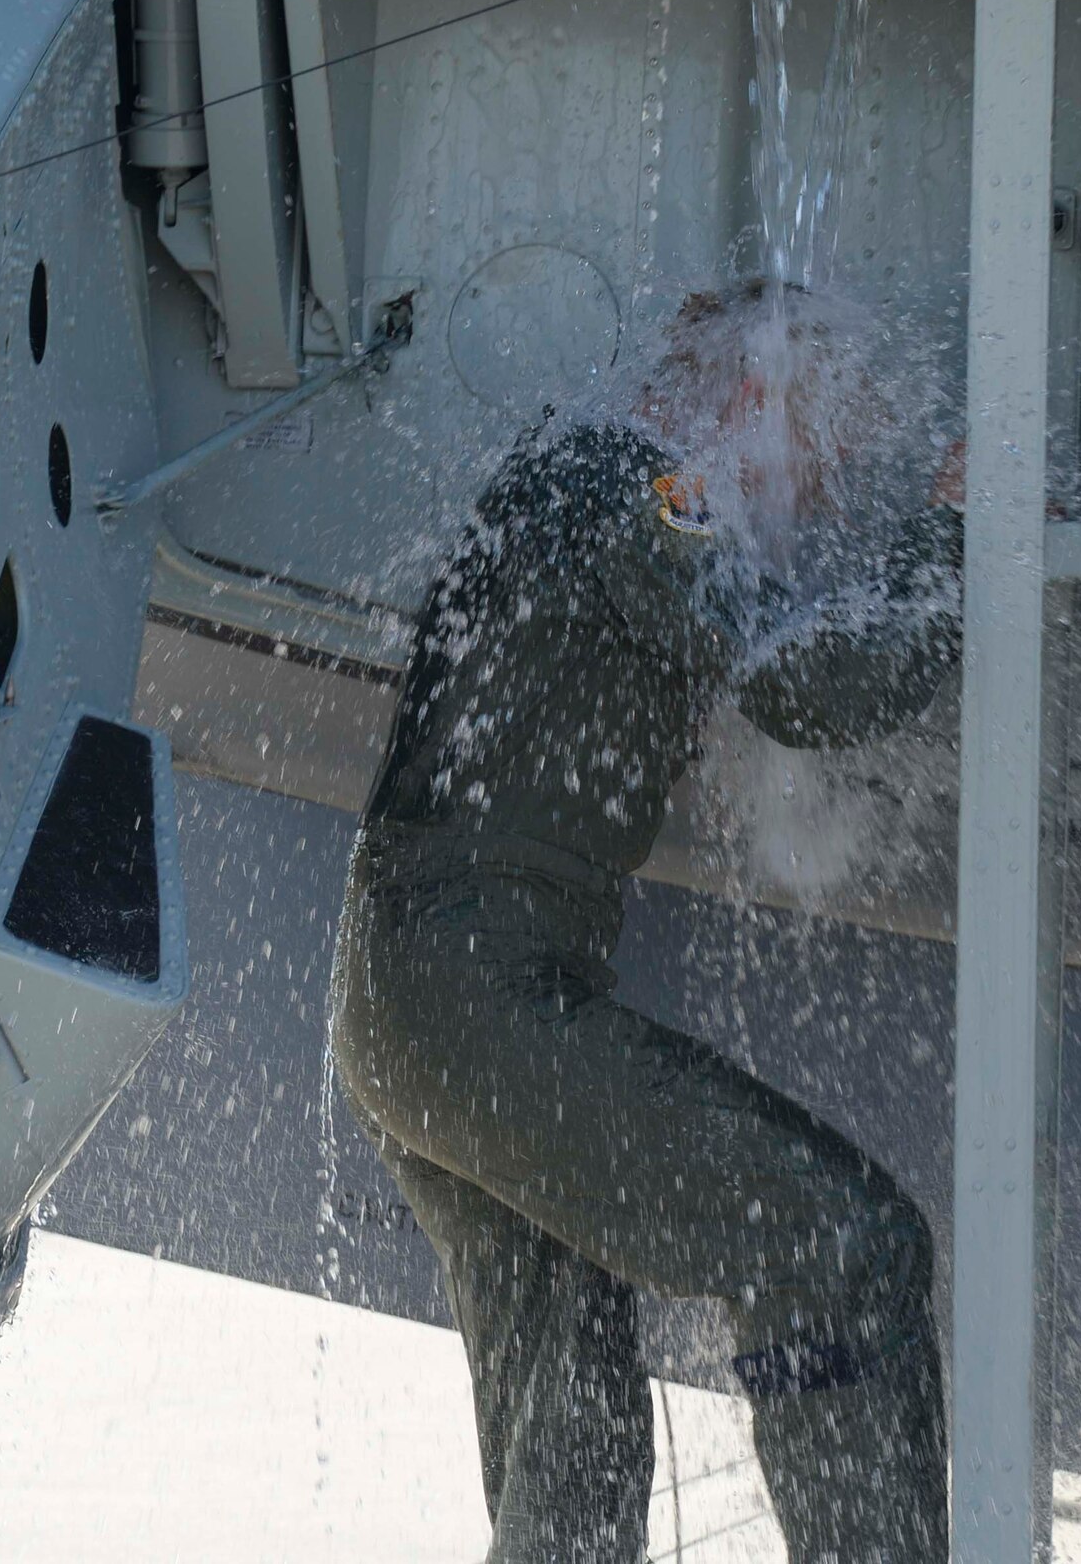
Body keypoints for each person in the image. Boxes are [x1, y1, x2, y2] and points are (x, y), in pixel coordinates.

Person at [329, 282, 963, 1562]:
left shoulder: (577, 480)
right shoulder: (638, 495)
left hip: (411, 999)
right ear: (745, 396)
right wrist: (960, 529)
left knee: (574, 1460)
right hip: (472, 994)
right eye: (820, 458)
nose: (820, 499)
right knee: (843, 1243)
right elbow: (820, 688)